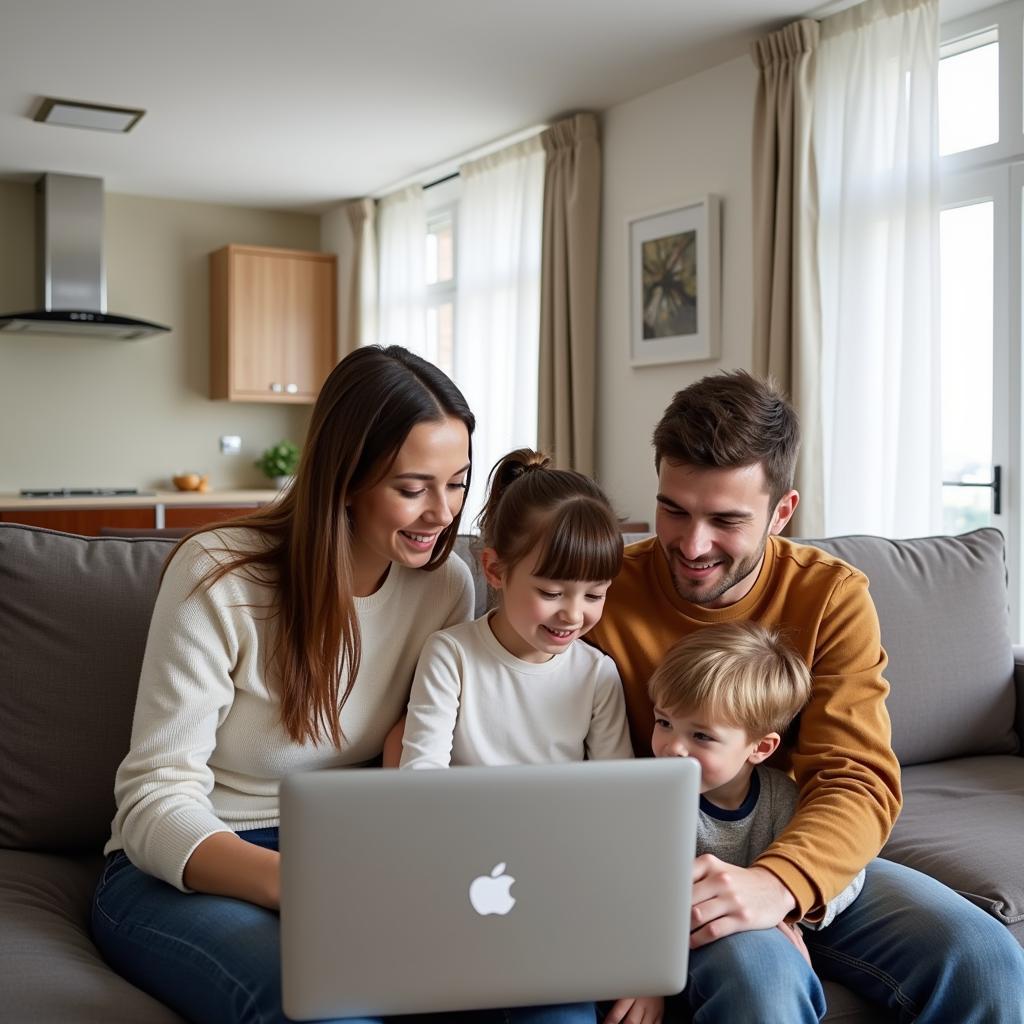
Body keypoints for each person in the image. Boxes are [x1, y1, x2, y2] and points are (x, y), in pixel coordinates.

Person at [91, 345, 592, 1024]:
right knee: (330, 1003)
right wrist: (295, 884)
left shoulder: (445, 584)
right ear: (346, 477)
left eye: (457, 482)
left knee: (549, 996)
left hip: (358, 854)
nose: (442, 513)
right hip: (195, 863)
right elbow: (153, 797)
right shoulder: (220, 576)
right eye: (413, 487)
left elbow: (420, 744)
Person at [587, 370, 1024, 1023]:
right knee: (762, 982)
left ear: (782, 511)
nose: (691, 543)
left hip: (796, 847)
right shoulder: (600, 593)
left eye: (726, 520)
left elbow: (857, 778)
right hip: (662, 871)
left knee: (986, 959)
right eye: (673, 509)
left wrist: (779, 887)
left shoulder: (832, 596)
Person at [398, 447, 633, 770]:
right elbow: (421, 772)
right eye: (551, 593)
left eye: (594, 596)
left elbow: (618, 788)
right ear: (495, 570)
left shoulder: (597, 675)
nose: (574, 615)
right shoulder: (451, 655)